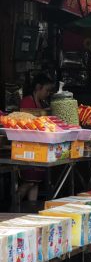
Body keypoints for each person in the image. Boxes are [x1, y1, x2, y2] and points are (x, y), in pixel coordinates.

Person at [18, 73, 54, 202]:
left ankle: (30, 211)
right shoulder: (27, 101)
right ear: (38, 87)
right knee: (29, 182)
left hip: (39, 146)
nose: (48, 93)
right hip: (27, 146)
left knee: (36, 182)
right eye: (47, 90)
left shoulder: (41, 103)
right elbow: (26, 122)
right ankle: (14, 204)